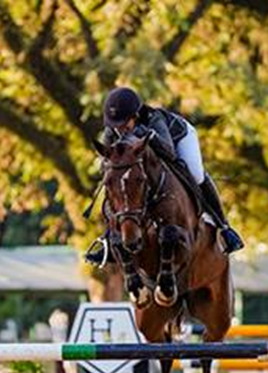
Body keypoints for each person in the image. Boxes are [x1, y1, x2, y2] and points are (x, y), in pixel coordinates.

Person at [85, 87, 244, 266]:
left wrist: (148, 136)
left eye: (124, 124)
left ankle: (224, 228)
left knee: (196, 175)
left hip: (178, 139)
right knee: (117, 186)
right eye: (116, 125)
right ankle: (109, 239)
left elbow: (169, 153)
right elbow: (106, 162)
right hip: (139, 162)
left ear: (135, 116)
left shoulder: (154, 120)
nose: (120, 130)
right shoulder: (112, 129)